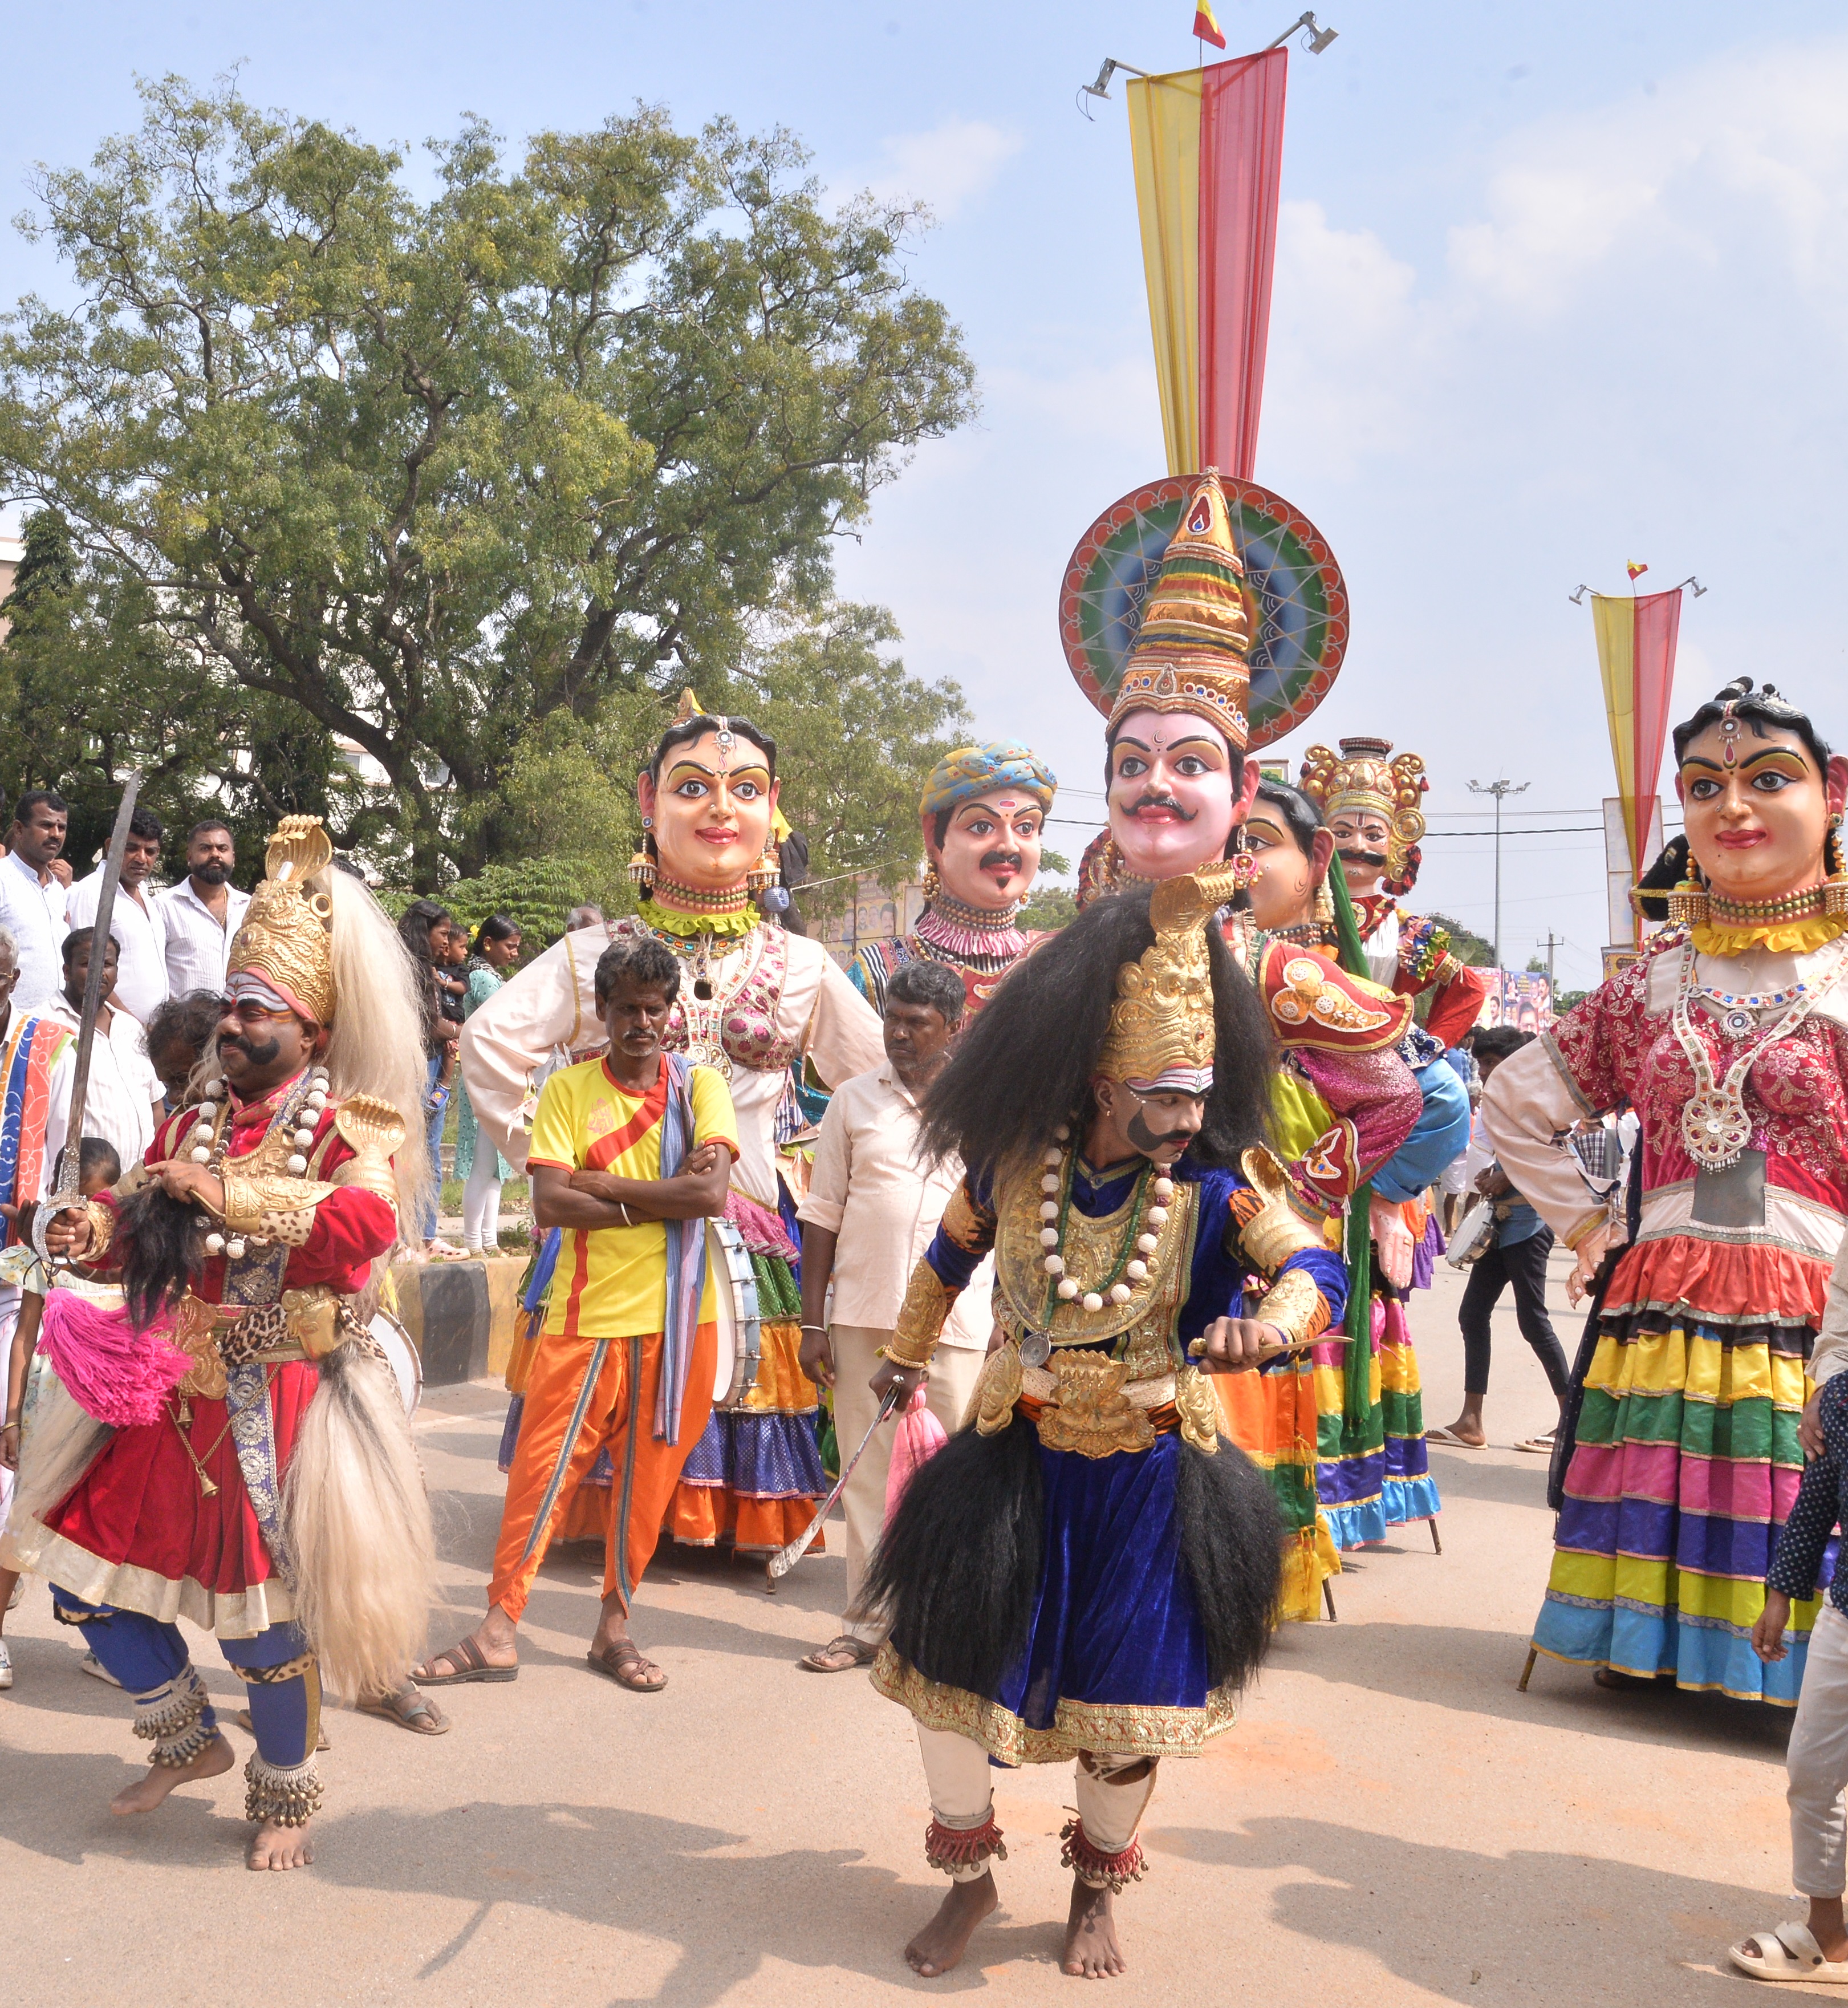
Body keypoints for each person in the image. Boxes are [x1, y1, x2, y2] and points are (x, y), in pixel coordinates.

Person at [858, 865, 1345, 1980]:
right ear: (1095, 1079)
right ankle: (970, 1875)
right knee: (940, 1676)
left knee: (1128, 1711)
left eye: (1196, 1092)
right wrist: (896, 1359)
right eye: (1160, 1094)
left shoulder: (1218, 1186)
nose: (1184, 1117)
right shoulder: (1014, 1166)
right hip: (1011, 1463)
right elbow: (942, 1265)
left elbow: (1311, 1265)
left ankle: (1092, 1886)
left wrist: (1266, 1329)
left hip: (1150, 1479)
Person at [6, 813, 434, 1867]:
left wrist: (234, 1194)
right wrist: (86, 1228)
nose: (232, 1028)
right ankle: (188, 1741)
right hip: (167, 1387)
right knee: (81, 1582)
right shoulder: (191, 1111)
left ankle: (282, 1798)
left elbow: (360, 1231)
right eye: (230, 1009)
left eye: (257, 1012)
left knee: (262, 1624)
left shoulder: (352, 1121)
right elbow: (144, 1231)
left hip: (283, 1398)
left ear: (315, 1033)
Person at [1486, 677, 1848, 1703]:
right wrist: (1593, 1224)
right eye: (1702, 787)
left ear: (1833, 793)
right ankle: (1644, 1651)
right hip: (1665, 1284)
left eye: (1765, 779)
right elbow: (1516, 1101)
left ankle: (1792, 1678)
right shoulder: (1657, 978)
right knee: (1662, 1457)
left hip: (1814, 1291)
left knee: (1793, 1470)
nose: (1730, 808)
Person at [460, 691, 884, 1557]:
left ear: (775, 811)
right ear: (648, 803)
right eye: (693, 787)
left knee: (730, 1365)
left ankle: (713, 1517)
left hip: (744, 1209)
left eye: (746, 788)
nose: (722, 809)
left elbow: (876, 1083)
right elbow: (488, 1042)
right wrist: (548, 1158)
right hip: (609, 1211)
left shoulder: (799, 963)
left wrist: (847, 1192)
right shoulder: (593, 952)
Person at [413, 934, 737, 1694]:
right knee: (540, 1476)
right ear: (602, 1010)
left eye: (655, 1009)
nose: (642, 1022)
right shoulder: (567, 1090)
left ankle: (614, 1629)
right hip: (583, 1315)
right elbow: (554, 1205)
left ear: (672, 1014)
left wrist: (605, 1185)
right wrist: (654, 1199)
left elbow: (711, 1197)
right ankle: (498, 1630)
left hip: (680, 1319)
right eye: (627, 1008)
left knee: (647, 1485)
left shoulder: (702, 1088)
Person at [1228, 777, 1466, 1568]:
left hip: (1307, 1178)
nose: (1235, 857)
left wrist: (1349, 1187)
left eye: (1257, 841)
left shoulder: (1309, 964)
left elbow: (1429, 1087)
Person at [794, 959, 989, 1673]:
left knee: (953, 1480)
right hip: (864, 1316)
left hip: (958, 1323)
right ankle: (866, 1627)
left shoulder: (985, 1105)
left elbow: (1012, 1217)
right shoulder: (851, 1100)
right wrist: (813, 1324)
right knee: (867, 1476)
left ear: (953, 1028)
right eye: (892, 1018)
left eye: (917, 1023)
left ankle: (942, 1630)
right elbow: (821, 1214)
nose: (899, 1034)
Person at [1733, 1370, 1848, 1979]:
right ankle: (1826, 1933)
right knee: (1811, 1771)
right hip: (1845, 1615)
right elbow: (1816, 1502)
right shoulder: (1842, 1396)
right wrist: (1779, 1592)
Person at [0, 1134, 123, 1689]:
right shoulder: (40, 1255)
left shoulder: (124, 1262)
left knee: (101, 1531)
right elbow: (24, 1337)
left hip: (101, 1419)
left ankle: (110, 1643)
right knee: (18, 1527)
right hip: (44, 1413)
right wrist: (10, 1416)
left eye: (93, 1208)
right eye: (70, 1204)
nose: (76, 1221)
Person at [1429, 1026, 1569, 1454]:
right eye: (1483, 1063)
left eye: (1490, 1063)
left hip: (1528, 1225)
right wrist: (1490, 1175)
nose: (1484, 1070)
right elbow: (1499, 1154)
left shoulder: (1540, 1099)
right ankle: (1471, 1421)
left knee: (1533, 1322)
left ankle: (1572, 1421)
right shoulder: (1497, 1104)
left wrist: (1504, 1174)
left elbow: (1555, 1149)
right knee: (1472, 1315)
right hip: (1500, 1225)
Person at [1297, 738, 1490, 1048]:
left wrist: (1430, 1046)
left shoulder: (1408, 933)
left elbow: (1468, 989)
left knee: (1449, 1095)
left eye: (1374, 836)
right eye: (1344, 833)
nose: (1358, 846)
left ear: (1395, 846)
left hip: (1380, 1055)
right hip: (1304, 1056)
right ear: (1321, 842)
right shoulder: (1292, 915)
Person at [848, 743, 1057, 1017]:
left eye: (1026, 828)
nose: (1009, 846)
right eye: (982, 827)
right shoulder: (877, 971)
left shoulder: (1056, 961)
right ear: (933, 835)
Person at [43, 928, 165, 1177]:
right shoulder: (43, 1026)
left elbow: (155, 1104)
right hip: (83, 1187)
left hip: (142, 1182)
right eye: (87, 963)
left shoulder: (131, 1028)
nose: (99, 972)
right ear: (67, 971)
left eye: (107, 964)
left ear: (117, 975)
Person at [455, 915, 522, 1255]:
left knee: (496, 1162)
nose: (514, 953)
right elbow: (502, 1022)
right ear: (488, 944)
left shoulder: (489, 976)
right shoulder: (483, 978)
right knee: (484, 1160)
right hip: (485, 1079)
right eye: (510, 946)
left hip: (495, 1077)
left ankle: (489, 1240)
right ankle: (472, 1241)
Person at [66, 807, 169, 1024]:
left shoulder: (146, 896)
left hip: (152, 1033)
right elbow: (89, 972)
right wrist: (129, 1024)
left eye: (150, 851)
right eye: (131, 848)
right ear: (110, 846)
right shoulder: (92, 893)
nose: (142, 859)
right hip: (113, 1028)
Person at [397, 899, 460, 1255]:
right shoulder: (413, 971)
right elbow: (427, 1025)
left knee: (429, 1151)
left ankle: (424, 1234)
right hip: (418, 1067)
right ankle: (411, 1235)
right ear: (425, 932)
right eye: (443, 934)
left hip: (434, 1063)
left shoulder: (427, 969)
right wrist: (460, 1031)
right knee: (416, 1152)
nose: (448, 944)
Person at [160, 820, 250, 1000]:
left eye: (222, 849)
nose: (215, 854)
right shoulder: (165, 906)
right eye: (205, 848)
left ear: (233, 857)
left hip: (239, 1022)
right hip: (185, 1023)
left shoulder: (250, 906)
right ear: (189, 857)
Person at [0, 790, 72, 1012]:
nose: (56, 834)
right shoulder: (3, 879)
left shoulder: (58, 890)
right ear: (19, 829)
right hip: (11, 1028)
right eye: (46, 825)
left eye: (62, 828)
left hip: (55, 1030)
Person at [145, 988, 226, 1114]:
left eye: (181, 1079)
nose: (172, 1098)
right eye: (167, 1085)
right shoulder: (176, 1127)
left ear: (216, 1060)